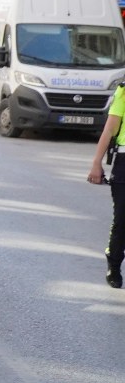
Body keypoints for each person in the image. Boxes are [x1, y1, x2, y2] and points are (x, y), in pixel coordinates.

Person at [88, 85, 125, 287]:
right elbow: (110, 129)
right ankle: (114, 263)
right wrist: (96, 163)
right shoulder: (123, 92)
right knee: (121, 219)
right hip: (124, 162)